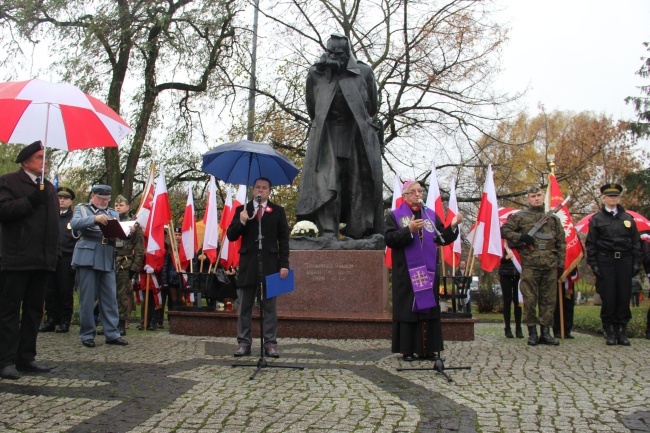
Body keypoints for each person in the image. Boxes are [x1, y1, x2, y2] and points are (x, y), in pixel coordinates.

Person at [296, 33, 384, 239]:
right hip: (327, 136)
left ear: (347, 53)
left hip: (356, 135)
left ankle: (359, 231)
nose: (335, 57)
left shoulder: (364, 72)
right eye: (331, 52)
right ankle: (328, 231)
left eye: (340, 53)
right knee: (326, 182)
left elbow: (371, 105)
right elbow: (313, 108)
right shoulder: (316, 74)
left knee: (357, 182)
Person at [0, 141, 59, 380]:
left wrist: (55, 254)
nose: (44, 162)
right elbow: (4, 211)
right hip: (16, 259)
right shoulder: (9, 181)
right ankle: (5, 360)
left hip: (42, 260)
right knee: (9, 311)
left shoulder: (50, 188)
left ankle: (26, 357)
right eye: (39, 157)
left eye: (45, 157)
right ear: (26, 161)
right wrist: (33, 199)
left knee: (34, 311)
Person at [384, 180, 461, 361]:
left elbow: (442, 239)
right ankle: (408, 350)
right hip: (406, 273)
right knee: (408, 310)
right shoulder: (394, 216)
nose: (419, 194)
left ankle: (428, 349)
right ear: (405, 196)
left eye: (420, 191)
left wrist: (454, 226)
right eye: (414, 191)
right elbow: (389, 240)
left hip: (428, 272)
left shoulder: (430, 215)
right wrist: (407, 230)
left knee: (428, 309)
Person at [227, 177, 290, 358]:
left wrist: (284, 264)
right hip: (248, 265)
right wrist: (242, 222)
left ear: (269, 191)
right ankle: (244, 343)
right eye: (257, 188)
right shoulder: (242, 210)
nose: (260, 191)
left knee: (269, 307)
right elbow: (231, 236)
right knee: (245, 306)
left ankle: (270, 344)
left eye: (264, 188)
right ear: (253, 190)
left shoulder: (277, 211)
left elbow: (283, 240)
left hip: (270, 264)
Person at [501, 186, 565, 346]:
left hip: (550, 266)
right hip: (530, 265)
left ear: (543, 197)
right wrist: (521, 236)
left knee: (548, 301)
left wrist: (561, 264)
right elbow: (504, 231)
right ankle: (532, 332)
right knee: (529, 300)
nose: (536, 198)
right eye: (532, 196)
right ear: (528, 199)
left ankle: (545, 332)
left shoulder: (553, 219)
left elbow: (561, 243)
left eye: (539, 195)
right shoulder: (520, 217)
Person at [70, 185, 128, 348]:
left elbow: (117, 240)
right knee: (87, 298)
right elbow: (74, 224)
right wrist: (94, 219)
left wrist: (124, 233)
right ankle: (87, 334)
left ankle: (112, 333)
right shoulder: (83, 209)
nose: (104, 202)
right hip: (87, 254)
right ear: (93, 195)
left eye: (107, 199)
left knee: (110, 297)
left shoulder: (112, 213)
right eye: (101, 198)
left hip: (106, 255)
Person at [585, 183, 642, 346]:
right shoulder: (597, 219)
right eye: (610, 196)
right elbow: (591, 244)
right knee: (608, 296)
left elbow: (636, 242)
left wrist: (636, 263)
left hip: (624, 260)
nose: (613, 199)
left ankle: (622, 330)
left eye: (615, 196)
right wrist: (594, 264)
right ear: (603, 198)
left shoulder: (628, 218)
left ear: (619, 198)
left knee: (624, 297)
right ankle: (609, 330)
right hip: (605, 260)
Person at [40, 186, 78, 334]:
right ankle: (51, 319)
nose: (61, 200)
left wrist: (75, 262)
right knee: (49, 291)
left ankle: (65, 320)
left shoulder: (74, 219)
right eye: (59, 198)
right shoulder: (50, 216)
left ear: (71, 201)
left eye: (65, 198)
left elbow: (76, 242)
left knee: (65, 291)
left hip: (67, 259)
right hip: (51, 258)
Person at [114, 195, 144, 336]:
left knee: (122, 295)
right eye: (116, 205)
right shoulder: (110, 222)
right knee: (108, 295)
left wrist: (134, 267)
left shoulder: (134, 225)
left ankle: (121, 324)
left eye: (121, 205)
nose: (118, 207)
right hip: (109, 262)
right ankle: (109, 323)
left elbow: (139, 248)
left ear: (128, 207)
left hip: (124, 263)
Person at [499, 250, 523, 339]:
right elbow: (497, 258)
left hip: (518, 274)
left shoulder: (520, 242)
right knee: (507, 301)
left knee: (518, 301)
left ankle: (518, 328)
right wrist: (505, 258)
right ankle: (507, 328)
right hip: (505, 273)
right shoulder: (503, 243)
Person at [554, 268, 577, 339]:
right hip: (557, 271)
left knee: (569, 302)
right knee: (557, 303)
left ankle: (567, 330)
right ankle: (557, 329)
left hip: (569, 271)